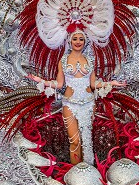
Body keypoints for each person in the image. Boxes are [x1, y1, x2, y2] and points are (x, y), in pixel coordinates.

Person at [27, 29, 126, 165]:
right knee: (74, 141)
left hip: (88, 104)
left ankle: (88, 171)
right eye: (75, 39)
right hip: (70, 104)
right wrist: (41, 81)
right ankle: (77, 172)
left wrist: (111, 83)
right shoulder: (63, 61)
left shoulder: (89, 60)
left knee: (87, 140)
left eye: (81, 39)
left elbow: (92, 83)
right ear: (70, 41)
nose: (78, 42)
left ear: (85, 42)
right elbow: (59, 83)